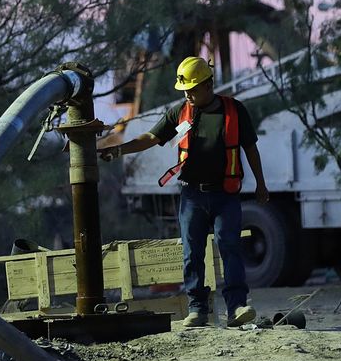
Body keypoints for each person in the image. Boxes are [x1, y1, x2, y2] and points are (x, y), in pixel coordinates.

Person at [98, 56, 269, 328]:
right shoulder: (180, 112)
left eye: (192, 89)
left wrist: (261, 183)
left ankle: (236, 307)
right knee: (192, 253)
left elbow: (250, 148)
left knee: (230, 247)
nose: (187, 94)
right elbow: (151, 138)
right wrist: (119, 149)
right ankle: (197, 309)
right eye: (184, 89)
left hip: (225, 195)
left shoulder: (234, 110)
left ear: (209, 84)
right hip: (192, 196)